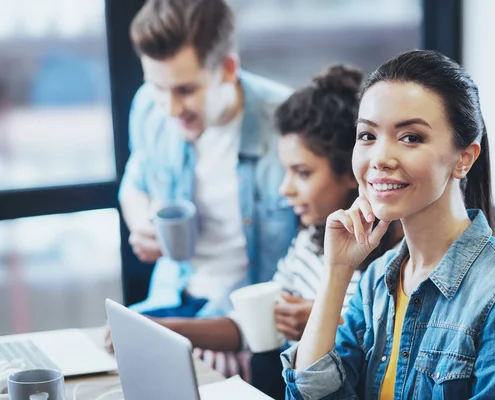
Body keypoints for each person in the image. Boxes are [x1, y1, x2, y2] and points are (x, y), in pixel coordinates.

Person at [281, 50, 495, 399]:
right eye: (367, 136)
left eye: (410, 137)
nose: (380, 158)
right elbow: (311, 394)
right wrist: (336, 271)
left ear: (463, 159)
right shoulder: (378, 280)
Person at [148, 65, 403, 399]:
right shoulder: (308, 242)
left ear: (351, 173)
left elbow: (383, 363)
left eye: (302, 173)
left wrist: (324, 321)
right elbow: (251, 326)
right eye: (286, 171)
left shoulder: (390, 267)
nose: (286, 189)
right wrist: (165, 330)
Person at [119, 0, 297, 318]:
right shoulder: (148, 107)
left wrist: (233, 333)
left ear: (229, 69)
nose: (170, 108)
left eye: (185, 90)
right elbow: (135, 182)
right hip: (170, 299)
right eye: (157, 86)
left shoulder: (289, 124)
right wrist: (141, 223)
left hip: (252, 318)